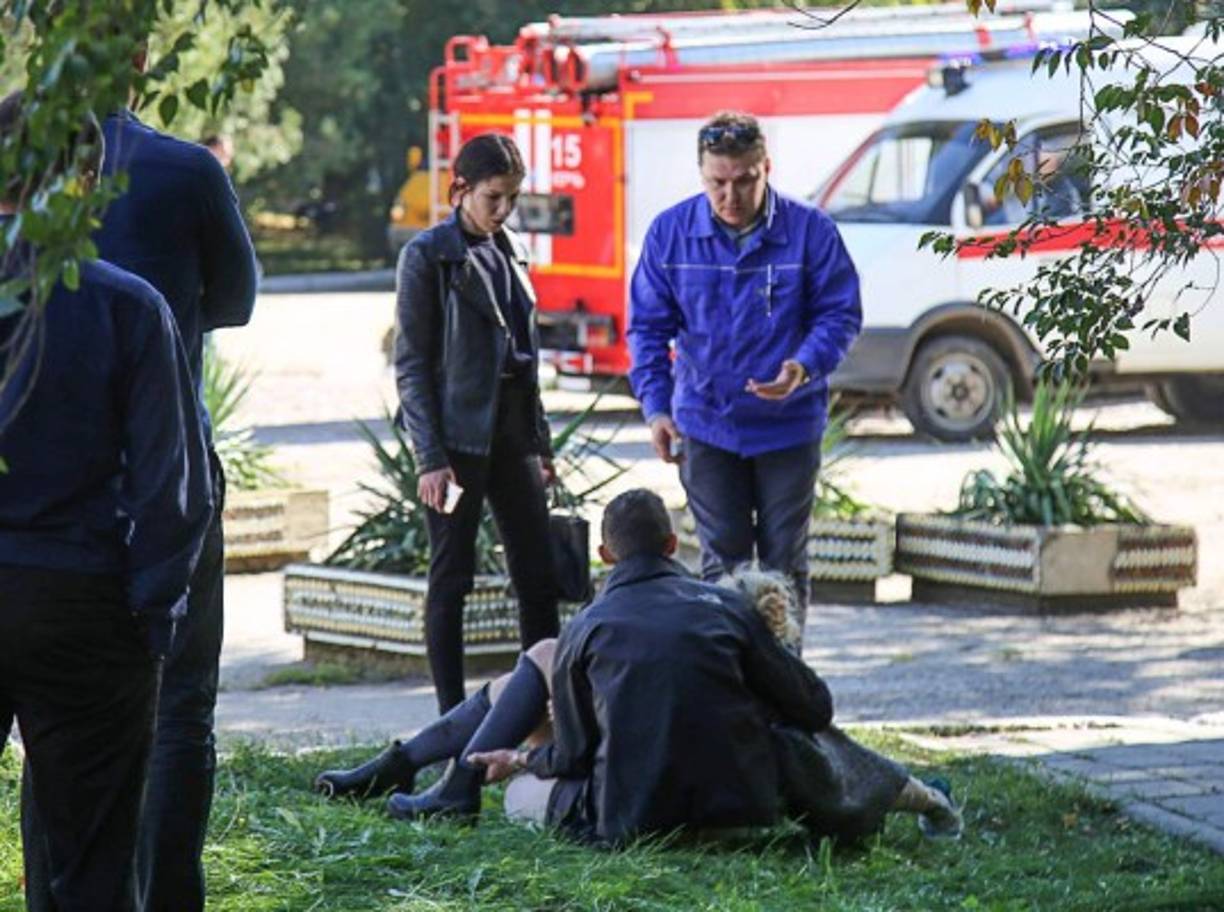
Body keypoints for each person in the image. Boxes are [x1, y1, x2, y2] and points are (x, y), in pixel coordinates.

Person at [317, 489, 961, 847]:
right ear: (674, 545)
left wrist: (521, 762)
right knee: (540, 667)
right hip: (744, 801)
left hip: (634, 817)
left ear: (603, 554)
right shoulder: (725, 610)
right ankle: (425, 777)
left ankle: (445, 782)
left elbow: (571, 755)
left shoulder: (585, 629)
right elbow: (816, 708)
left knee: (530, 728)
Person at [21, 49, 260, 912]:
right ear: (143, 59)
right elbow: (235, 301)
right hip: (161, 472)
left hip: (39, 507)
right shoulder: (186, 171)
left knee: (55, 728)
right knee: (179, 709)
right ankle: (164, 897)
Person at [627, 110, 863, 635]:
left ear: (766, 169)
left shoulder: (811, 233)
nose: (730, 196)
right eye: (717, 183)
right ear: (701, 175)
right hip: (705, 425)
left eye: (744, 181)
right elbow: (646, 329)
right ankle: (730, 688)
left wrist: (803, 367)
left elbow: (840, 314)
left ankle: (785, 690)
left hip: (788, 425)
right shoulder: (670, 234)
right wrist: (657, 410)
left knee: (784, 563)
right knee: (723, 566)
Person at [394, 132, 559, 713]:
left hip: (512, 436)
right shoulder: (427, 255)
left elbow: (527, 356)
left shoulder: (511, 248)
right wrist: (429, 459)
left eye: (512, 197)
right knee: (452, 578)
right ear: (460, 189)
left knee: (538, 575)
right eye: (494, 197)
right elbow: (411, 365)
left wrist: (541, 445)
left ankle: (539, 707)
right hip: (457, 444)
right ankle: (450, 718)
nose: (504, 210)